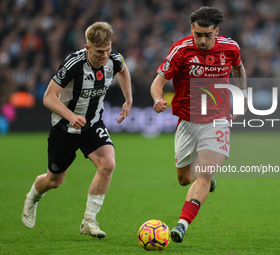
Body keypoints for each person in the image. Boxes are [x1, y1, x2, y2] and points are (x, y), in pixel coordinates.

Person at [21, 21, 133, 239]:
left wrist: (128, 100)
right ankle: (33, 196)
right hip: (65, 127)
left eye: (108, 50)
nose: (104, 55)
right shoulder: (73, 64)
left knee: (108, 164)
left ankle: (89, 220)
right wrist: (71, 117)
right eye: (99, 51)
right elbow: (48, 97)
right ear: (87, 47)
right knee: (54, 181)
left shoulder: (113, 59)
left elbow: (123, 70)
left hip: (93, 124)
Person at [150, 6, 247, 243]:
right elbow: (158, 82)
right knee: (184, 179)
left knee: (203, 175)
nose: (202, 41)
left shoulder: (231, 48)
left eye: (207, 35)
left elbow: (238, 68)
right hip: (187, 120)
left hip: (218, 119)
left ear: (217, 31)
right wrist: (158, 98)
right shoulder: (180, 50)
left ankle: (182, 224)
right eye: (198, 35)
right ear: (191, 29)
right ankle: (207, 177)